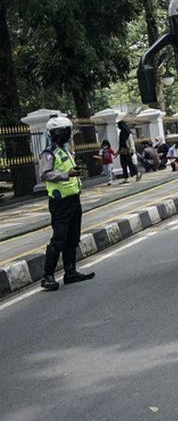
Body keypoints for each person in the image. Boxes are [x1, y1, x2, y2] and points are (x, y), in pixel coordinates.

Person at [39, 115, 95, 291]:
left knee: (72, 237)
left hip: (73, 199)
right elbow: (45, 174)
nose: (68, 134)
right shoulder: (48, 153)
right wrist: (66, 175)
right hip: (60, 202)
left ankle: (70, 272)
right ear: (56, 133)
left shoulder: (65, 150)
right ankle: (47, 276)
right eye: (65, 131)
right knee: (59, 238)